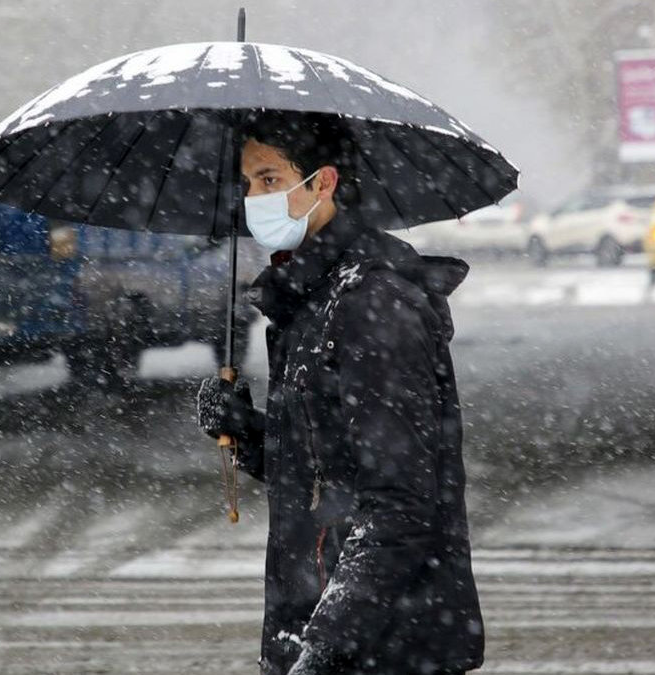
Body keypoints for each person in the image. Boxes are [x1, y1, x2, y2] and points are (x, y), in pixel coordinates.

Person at [195, 112, 483, 675]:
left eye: (270, 179)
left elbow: (401, 505)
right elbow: (321, 474)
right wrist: (249, 433)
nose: (254, 197)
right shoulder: (308, 301)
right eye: (248, 183)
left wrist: (324, 648)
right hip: (321, 629)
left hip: (385, 648)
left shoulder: (372, 306)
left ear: (322, 183)